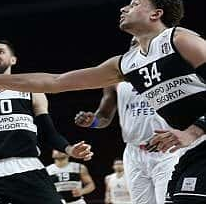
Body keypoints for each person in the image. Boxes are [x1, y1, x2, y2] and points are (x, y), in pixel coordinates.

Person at [0, 0, 206, 204]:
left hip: (195, 140)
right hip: (188, 148)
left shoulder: (179, 39)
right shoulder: (125, 63)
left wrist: (192, 131)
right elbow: (56, 82)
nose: (125, 8)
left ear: (156, 14)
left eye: (135, 3)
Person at [0, 38, 92, 204]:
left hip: (27, 166)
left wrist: (69, 149)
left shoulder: (32, 90)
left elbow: (48, 132)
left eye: (0, 52)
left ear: (13, 60)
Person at [74, 39, 181, 204]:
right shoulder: (116, 79)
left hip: (167, 150)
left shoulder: (170, 70)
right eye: (133, 42)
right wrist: (93, 121)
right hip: (133, 152)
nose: (137, 43)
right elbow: (104, 116)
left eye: (143, 40)